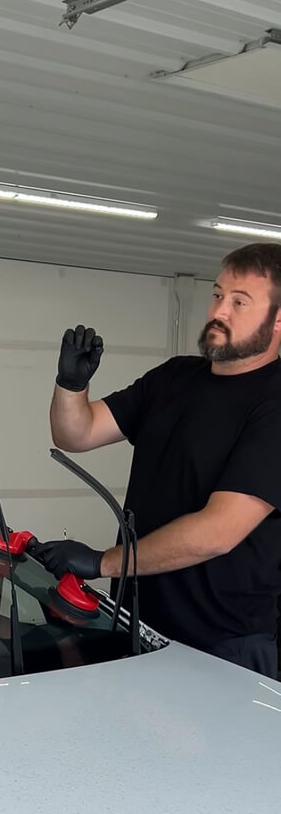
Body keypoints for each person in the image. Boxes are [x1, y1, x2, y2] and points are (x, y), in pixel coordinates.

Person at [33, 243, 281, 677]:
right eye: (218, 294)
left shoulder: (273, 402)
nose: (220, 310)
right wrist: (71, 385)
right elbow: (77, 433)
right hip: (138, 624)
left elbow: (220, 530)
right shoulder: (175, 377)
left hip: (225, 645)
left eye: (240, 302)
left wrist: (103, 562)